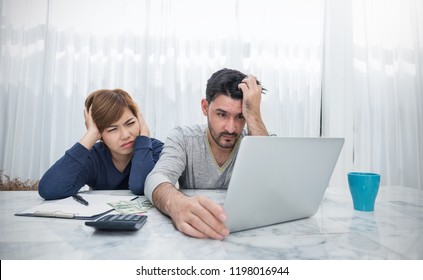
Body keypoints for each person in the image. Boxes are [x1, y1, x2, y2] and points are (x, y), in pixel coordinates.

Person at [145, 68, 269, 240]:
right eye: (222, 114)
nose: (231, 128)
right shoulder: (183, 138)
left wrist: (253, 114)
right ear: (205, 107)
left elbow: (272, 185)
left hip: (247, 235)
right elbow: (157, 177)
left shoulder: (256, 140)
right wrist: (176, 203)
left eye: (240, 117)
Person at [38, 89, 163, 200]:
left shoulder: (156, 150)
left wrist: (144, 134)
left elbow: (141, 187)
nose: (125, 135)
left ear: (139, 121)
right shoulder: (94, 158)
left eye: (130, 123)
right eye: (112, 129)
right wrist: (91, 134)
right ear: (100, 133)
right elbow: (49, 190)